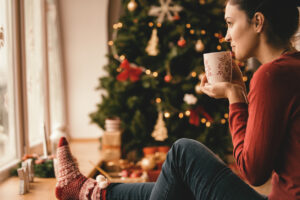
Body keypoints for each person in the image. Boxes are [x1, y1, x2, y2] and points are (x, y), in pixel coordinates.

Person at [54, 0, 300, 199]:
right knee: (179, 182)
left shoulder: (271, 75)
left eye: (230, 23)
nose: (226, 36)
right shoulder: (290, 68)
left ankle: (87, 192)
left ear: (257, 22)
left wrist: (235, 96)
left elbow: (254, 171)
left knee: (183, 152)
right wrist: (240, 90)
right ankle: (89, 191)